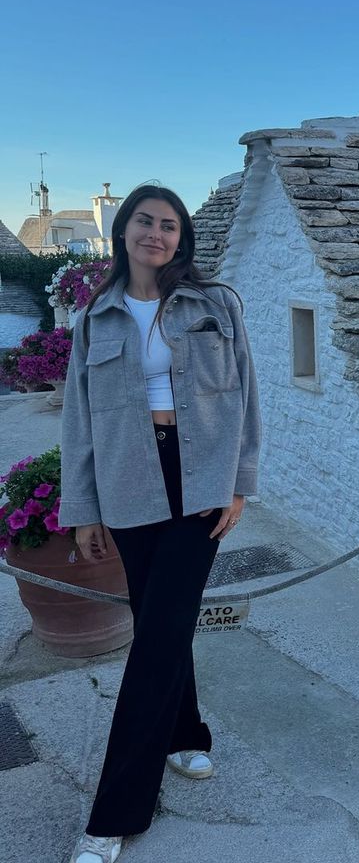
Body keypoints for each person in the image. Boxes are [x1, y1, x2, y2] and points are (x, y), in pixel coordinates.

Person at [59, 183, 263, 863]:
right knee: (158, 621)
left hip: (200, 478)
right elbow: (78, 421)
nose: (156, 234)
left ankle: (115, 813)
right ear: (122, 232)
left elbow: (246, 397)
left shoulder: (216, 303)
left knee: (159, 634)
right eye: (144, 222)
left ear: (183, 238)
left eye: (169, 225)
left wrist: (240, 484)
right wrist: (82, 508)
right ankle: (185, 735)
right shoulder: (98, 317)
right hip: (128, 481)